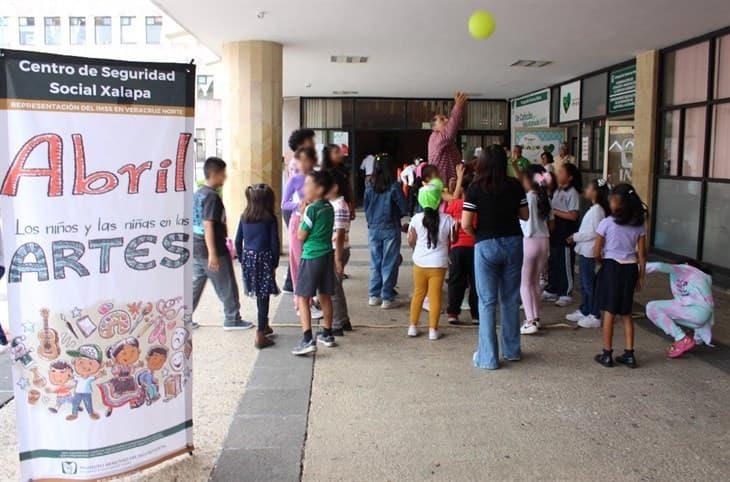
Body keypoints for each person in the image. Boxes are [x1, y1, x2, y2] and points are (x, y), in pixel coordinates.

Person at [462, 145, 528, 370]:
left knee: (487, 302)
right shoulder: (515, 186)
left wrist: (479, 236)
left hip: (486, 244)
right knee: (510, 299)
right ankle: (512, 351)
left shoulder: (475, 188)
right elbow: (525, 216)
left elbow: (465, 224)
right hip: (513, 242)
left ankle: (488, 358)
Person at [192, 157, 252, 330]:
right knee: (226, 285)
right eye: (223, 174)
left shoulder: (198, 194)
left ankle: (183, 318)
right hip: (213, 249)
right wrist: (213, 253)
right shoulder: (212, 197)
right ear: (215, 174)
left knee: (195, 285)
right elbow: (208, 224)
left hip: (196, 247)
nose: (225, 178)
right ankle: (232, 319)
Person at [593, 183, 647, 369]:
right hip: (630, 268)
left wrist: (602, 262)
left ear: (619, 203)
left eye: (613, 199)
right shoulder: (639, 224)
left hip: (611, 267)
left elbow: (596, 251)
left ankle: (607, 353)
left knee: (609, 311)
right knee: (626, 313)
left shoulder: (607, 222)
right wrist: (641, 276)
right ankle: (629, 354)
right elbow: (642, 254)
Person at [292, 171, 338, 356]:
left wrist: (303, 215)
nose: (304, 188)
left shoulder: (312, 209)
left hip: (311, 256)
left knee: (303, 297)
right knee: (325, 294)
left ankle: (307, 338)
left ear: (318, 189)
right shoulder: (328, 207)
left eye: (307, 185)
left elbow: (301, 235)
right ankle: (327, 333)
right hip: (327, 255)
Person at [235, 183, 280, 349]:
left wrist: (242, 259)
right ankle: (261, 333)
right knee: (264, 296)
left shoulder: (244, 216)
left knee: (258, 293)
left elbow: (238, 241)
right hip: (264, 258)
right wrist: (274, 263)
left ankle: (265, 325)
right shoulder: (270, 218)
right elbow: (274, 243)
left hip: (249, 257)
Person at [407, 183, 455, 340]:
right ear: (438, 200)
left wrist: (415, 246)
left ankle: (413, 327)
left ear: (421, 200)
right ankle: (433, 331)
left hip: (419, 262)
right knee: (435, 296)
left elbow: (410, 240)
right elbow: (453, 239)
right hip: (439, 264)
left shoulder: (416, 219)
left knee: (418, 294)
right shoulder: (448, 219)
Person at [364, 154, 408, 309]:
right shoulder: (394, 186)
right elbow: (403, 208)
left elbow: (366, 207)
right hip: (391, 227)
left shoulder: (370, 185)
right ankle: (387, 297)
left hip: (373, 229)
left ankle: (373, 295)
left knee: (376, 262)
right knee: (389, 262)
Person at [646, 260, 714, 358]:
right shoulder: (702, 277)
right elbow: (709, 306)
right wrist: (698, 339)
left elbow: (658, 265)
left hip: (693, 312)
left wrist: (634, 268)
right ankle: (686, 339)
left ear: (686, 264)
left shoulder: (684, 268)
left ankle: (681, 338)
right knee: (670, 312)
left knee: (652, 307)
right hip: (702, 316)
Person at [565, 178, 610, 328]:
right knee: (584, 284)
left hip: (590, 252)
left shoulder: (597, 210)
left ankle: (594, 314)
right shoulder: (594, 208)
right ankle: (585, 309)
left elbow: (595, 233)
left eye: (589, 187)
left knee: (589, 284)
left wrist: (575, 236)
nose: (586, 190)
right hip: (585, 250)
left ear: (595, 192)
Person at [281, 147, 321, 317]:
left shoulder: (318, 178)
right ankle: (302, 303)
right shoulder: (294, 180)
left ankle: (311, 299)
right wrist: (300, 205)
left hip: (316, 222)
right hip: (299, 221)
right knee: (300, 263)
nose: (303, 164)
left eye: (306, 160)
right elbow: (284, 204)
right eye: (300, 160)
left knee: (313, 262)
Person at [543, 163, 582, 307]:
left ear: (570, 177)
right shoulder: (558, 190)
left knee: (565, 262)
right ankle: (552, 288)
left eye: (561, 172)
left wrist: (554, 211)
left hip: (566, 232)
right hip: (555, 232)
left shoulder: (572, 193)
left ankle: (566, 292)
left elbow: (573, 215)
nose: (558, 174)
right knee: (554, 260)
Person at [519, 169, 552, 335]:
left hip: (528, 241)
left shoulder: (528, 198)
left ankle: (529, 320)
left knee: (525, 283)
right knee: (535, 282)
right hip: (544, 241)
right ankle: (536, 317)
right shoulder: (543, 198)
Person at [282, 129, 316, 292]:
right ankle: (297, 289)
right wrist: (301, 205)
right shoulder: (297, 164)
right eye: (311, 140)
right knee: (300, 253)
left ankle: (292, 284)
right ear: (302, 143)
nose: (313, 143)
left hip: (304, 211)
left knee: (299, 253)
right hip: (298, 213)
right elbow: (294, 194)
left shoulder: (303, 163)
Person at [445, 167, 478, 325]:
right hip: (474, 247)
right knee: (475, 282)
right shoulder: (476, 206)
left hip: (456, 247)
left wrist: (458, 179)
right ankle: (476, 315)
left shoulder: (455, 204)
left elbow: (454, 198)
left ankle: (453, 313)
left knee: (455, 281)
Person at [329, 174, 353, 336]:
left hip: (338, 249)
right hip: (339, 249)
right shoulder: (337, 204)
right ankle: (343, 320)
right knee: (337, 288)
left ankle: (337, 324)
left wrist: (337, 258)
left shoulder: (339, 206)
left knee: (333, 289)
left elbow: (339, 233)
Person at [428, 92, 468, 184]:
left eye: (446, 118)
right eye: (442, 119)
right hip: (441, 187)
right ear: (434, 128)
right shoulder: (434, 138)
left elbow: (454, 164)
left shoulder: (448, 142)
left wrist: (468, 166)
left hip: (452, 185)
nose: (447, 120)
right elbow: (449, 132)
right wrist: (457, 106)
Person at [322, 144, 355, 220]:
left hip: (343, 207)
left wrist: (352, 207)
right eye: (336, 152)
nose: (340, 154)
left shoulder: (344, 170)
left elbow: (349, 189)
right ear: (328, 155)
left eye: (340, 152)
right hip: (330, 207)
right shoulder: (325, 173)